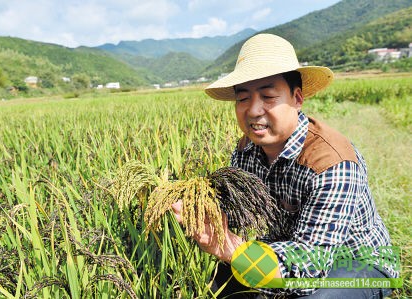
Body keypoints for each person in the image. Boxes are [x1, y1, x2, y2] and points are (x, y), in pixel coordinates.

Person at [171, 34, 399, 298]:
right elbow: (240, 216)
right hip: (285, 250)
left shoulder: (334, 164)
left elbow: (309, 268)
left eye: (268, 96)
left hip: (356, 263)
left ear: (297, 98)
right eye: (243, 98)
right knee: (214, 287)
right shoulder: (245, 151)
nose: (254, 110)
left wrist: (228, 246)